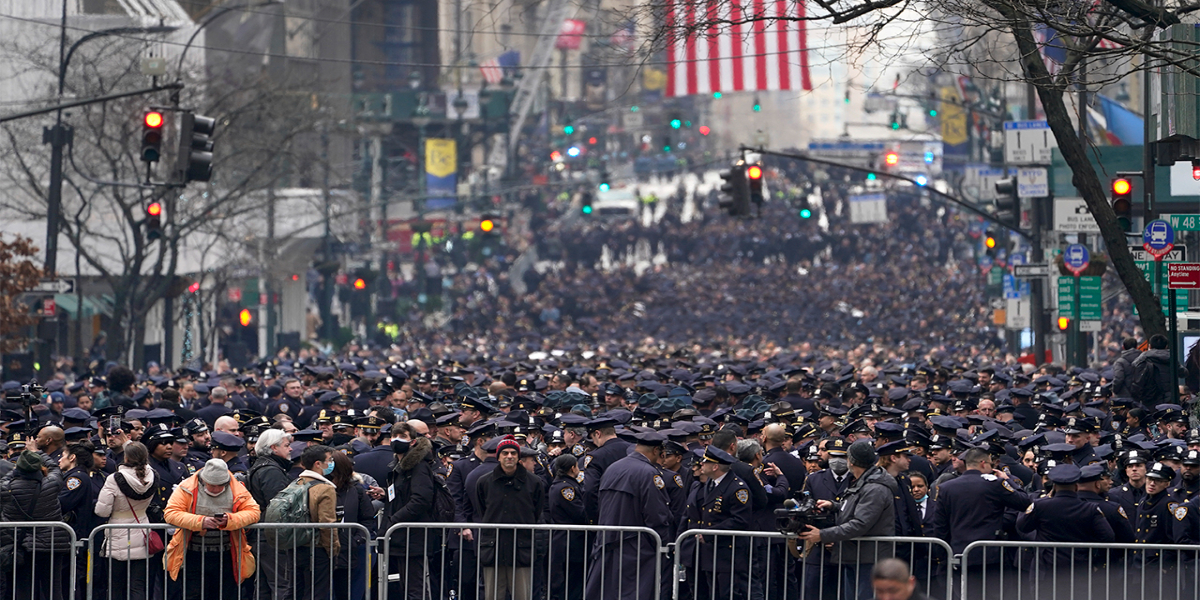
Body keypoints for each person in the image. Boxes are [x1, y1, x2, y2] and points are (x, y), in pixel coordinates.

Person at [797, 440, 897, 600]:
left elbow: (860, 524)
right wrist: (834, 506)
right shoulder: (864, 482)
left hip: (868, 559)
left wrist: (822, 535)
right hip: (857, 555)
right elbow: (855, 507)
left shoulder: (875, 488)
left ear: (851, 461)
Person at [928, 447, 1030, 599]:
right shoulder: (995, 484)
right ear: (983, 463)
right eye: (991, 464)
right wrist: (1008, 480)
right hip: (991, 556)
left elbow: (940, 526)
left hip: (959, 554)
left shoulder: (946, 488)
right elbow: (1025, 502)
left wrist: (944, 557)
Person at [585, 431, 673, 600]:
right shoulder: (650, 474)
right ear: (656, 450)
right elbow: (656, 515)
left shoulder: (613, 468)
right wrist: (660, 544)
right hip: (636, 546)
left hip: (607, 541)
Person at [163, 458, 261, 600]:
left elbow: (254, 512)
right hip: (193, 554)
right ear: (203, 481)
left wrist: (230, 520)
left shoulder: (237, 488)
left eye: (220, 486)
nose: (216, 489)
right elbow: (170, 513)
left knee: (225, 594)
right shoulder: (186, 487)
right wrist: (200, 521)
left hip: (227, 554)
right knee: (193, 594)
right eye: (211, 485)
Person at [1014, 464, 1114, 595]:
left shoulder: (1041, 506)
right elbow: (1108, 536)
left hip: (1046, 567)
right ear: (1076, 486)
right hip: (1079, 568)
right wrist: (1096, 561)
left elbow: (1022, 526)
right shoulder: (1090, 509)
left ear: (1054, 486)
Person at [475, 436, 546, 600]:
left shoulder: (534, 482)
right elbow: (482, 511)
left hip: (521, 549)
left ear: (518, 457)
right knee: (493, 595)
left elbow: (536, 512)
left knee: (522, 595)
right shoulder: (484, 482)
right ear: (498, 456)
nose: (509, 456)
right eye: (505, 453)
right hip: (494, 549)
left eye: (513, 453)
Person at [0, 449, 73, 600]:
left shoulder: (6, 488)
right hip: (51, 544)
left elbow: (4, 479)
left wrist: (15, 469)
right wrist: (38, 452)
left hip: (20, 545)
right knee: (53, 589)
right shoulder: (51, 483)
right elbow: (54, 468)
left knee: (23, 589)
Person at [379, 428, 442, 600]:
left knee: (415, 587)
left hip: (413, 536)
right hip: (403, 537)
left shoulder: (418, 467)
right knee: (407, 586)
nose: (396, 440)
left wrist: (396, 520)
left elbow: (421, 500)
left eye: (402, 436)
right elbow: (403, 495)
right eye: (394, 436)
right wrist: (385, 493)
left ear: (413, 441)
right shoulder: (399, 468)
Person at [94, 442, 159, 600]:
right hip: (142, 527)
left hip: (118, 531)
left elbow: (101, 511)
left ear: (126, 457)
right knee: (138, 585)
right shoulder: (153, 475)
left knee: (116, 585)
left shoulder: (114, 479)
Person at [246, 428, 296, 599]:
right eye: (287, 445)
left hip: (265, 536)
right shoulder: (271, 470)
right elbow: (278, 507)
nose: (290, 449)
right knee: (282, 584)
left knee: (265, 586)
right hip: (272, 537)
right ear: (274, 448)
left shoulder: (264, 466)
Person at [292, 445, 342, 600]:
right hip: (318, 547)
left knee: (298, 591)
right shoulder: (325, 488)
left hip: (297, 544)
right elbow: (327, 523)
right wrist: (333, 549)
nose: (332, 463)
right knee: (317, 592)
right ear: (317, 464)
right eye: (329, 460)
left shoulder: (296, 483)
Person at [329, 451, 376, 600]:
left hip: (352, 551)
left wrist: (357, 540)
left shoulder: (356, 491)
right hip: (326, 550)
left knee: (351, 591)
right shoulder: (319, 489)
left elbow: (367, 519)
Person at [546, 454, 587, 600]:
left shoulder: (564, 484)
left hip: (568, 540)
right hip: (569, 541)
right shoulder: (565, 488)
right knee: (571, 582)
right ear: (572, 468)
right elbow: (579, 513)